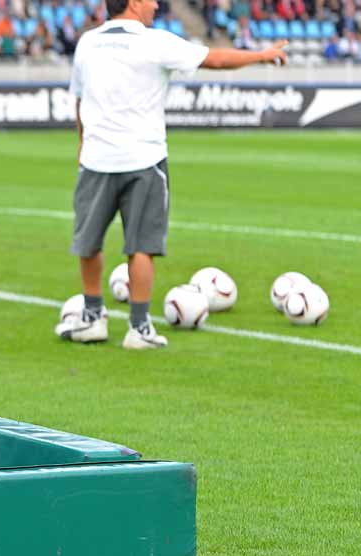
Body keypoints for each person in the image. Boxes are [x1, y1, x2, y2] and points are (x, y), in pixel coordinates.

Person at [54, 0, 287, 349]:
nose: (156, 4)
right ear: (133, 3)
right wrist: (261, 55)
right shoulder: (155, 41)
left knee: (88, 243)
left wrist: (81, 144)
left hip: (96, 158)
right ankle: (139, 328)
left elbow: (78, 100)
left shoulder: (87, 42)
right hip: (144, 159)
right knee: (142, 247)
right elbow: (216, 60)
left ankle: (91, 318)